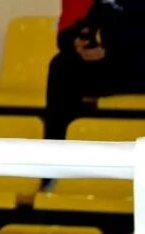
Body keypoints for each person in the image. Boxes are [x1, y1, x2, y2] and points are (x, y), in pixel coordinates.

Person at [45, 0, 145, 140]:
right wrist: (78, 43)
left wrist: (111, 51)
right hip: (117, 68)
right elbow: (84, 26)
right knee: (61, 66)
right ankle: (54, 150)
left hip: (138, 66)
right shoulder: (106, 3)